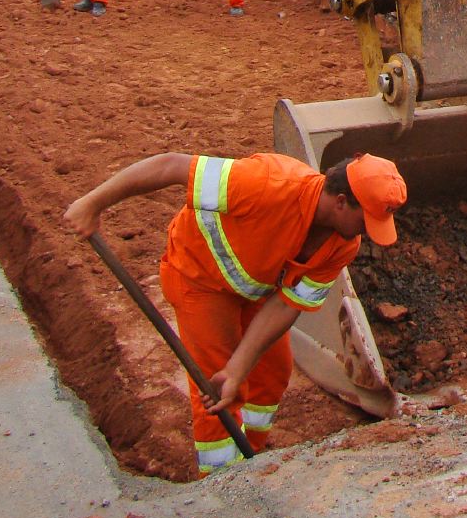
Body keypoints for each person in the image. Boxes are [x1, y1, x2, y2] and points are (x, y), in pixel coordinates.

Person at [65, 150, 407, 474]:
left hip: (256, 286)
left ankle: (250, 458)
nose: (369, 232)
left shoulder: (343, 244)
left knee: (272, 372)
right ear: (342, 202)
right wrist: (93, 203)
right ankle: (222, 487)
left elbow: (287, 303)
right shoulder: (267, 183)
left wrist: (238, 367)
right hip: (199, 278)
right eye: (367, 220)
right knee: (217, 397)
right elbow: (169, 166)